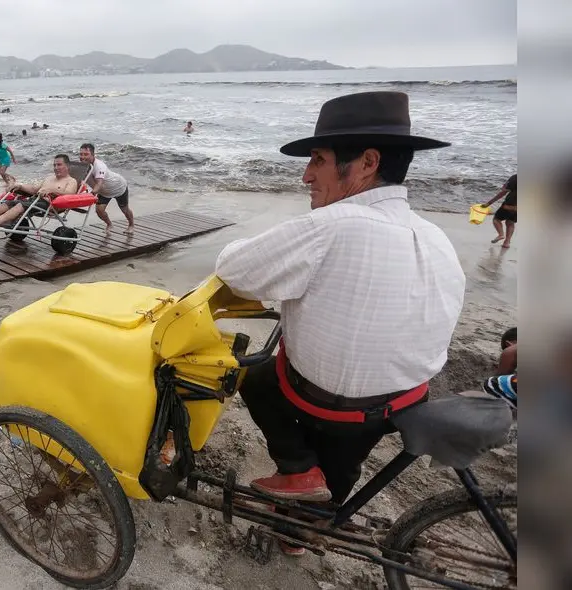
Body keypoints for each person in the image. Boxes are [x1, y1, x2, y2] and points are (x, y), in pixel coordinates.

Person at [214, 92, 465, 551]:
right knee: (342, 461)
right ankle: (300, 531)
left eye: (318, 159)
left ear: (367, 162)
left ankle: (296, 469)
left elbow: (233, 268)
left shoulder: (333, 224)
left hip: (335, 405)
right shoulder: (436, 236)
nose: (307, 175)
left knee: (254, 376)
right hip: (407, 398)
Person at [0, 154, 77, 227]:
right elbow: (34, 189)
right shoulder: (49, 178)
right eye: (55, 165)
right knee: (8, 203)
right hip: (35, 201)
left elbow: (70, 195)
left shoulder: (71, 181)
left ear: (67, 166)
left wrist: (52, 190)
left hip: (50, 206)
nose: (56, 167)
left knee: (21, 205)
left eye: (59, 165)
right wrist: (20, 186)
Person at [79, 143, 134, 234]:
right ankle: (109, 224)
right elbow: (78, 180)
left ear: (93, 155)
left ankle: (131, 225)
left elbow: (99, 183)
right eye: (81, 154)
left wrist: (91, 195)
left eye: (86, 154)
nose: (82, 157)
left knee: (124, 209)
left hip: (118, 187)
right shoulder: (81, 166)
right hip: (104, 191)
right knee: (99, 210)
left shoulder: (99, 166)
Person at [483, 174, 517, 248]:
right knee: (510, 223)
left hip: (509, 204)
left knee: (496, 219)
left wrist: (489, 203)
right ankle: (506, 243)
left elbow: (503, 192)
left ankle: (501, 234)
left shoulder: (515, 177)